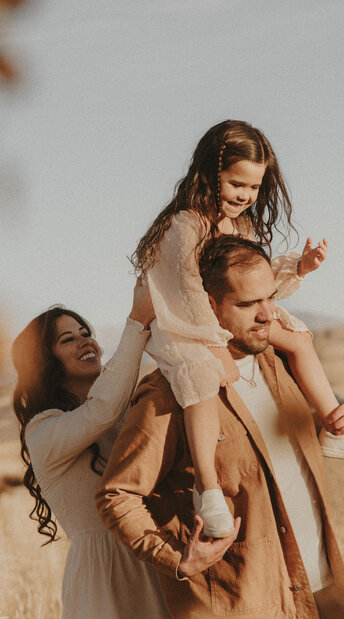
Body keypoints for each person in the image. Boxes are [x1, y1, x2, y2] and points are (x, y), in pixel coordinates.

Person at [97, 235, 344, 619]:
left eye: (269, 297)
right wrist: (177, 558)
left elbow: (279, 458)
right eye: (248, 304)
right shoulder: (169, 395)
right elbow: (118, 494)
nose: (267, 315)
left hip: (326, 592)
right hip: (247, 604)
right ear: (208, 306)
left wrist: (331, 426)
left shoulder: (278, 364)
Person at [130, 119, 340, 539]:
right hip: (185, 325)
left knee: (297, 337)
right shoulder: (185, 226)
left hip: (226, 317)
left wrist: (300, 267)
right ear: (209, 174)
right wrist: (218, 346)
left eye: (254, 188)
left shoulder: (237, 227)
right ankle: (207, 487)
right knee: (203, 377)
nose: (245, 196)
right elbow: (185, 293)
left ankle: (333, 423)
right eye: (236, 184)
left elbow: (252, 288)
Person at [11, 280, 170, 619]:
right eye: (68, 338)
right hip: (103, 576)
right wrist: (137, 321)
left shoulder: (125, 409)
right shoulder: (43, 430)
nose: (86, 340)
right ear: (44, 362)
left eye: (86, 332)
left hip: (156, 554)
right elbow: (101, 410)